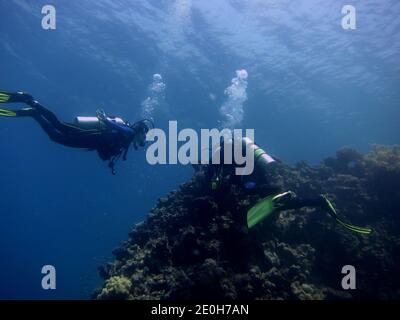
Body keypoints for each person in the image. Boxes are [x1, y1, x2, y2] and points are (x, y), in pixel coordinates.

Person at [201, 137, 372, 235]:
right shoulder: (240, 145)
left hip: (251, 175)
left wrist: (214, 185)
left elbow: (212, 176)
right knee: (264, 196)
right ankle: (317, 200)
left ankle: (275, 193)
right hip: (261, 169)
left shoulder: (219, 154)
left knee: (249, 189)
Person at [0, 91, 153, 174]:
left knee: (58, 130)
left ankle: (32, 109)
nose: (144, 140)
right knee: (57, 131)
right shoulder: (129, 132)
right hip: (91, 136)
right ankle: (31, 104)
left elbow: (105, 153)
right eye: (144, 135)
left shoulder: (126, 141)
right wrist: (104, 118)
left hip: (91, 139)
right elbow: (114, 126)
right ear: (139, 131)